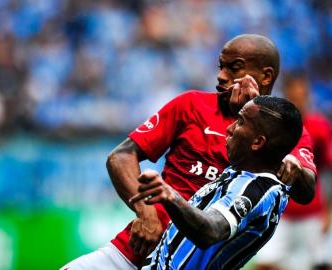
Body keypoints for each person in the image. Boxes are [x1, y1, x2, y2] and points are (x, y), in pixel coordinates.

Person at [60, 34, 316, 270]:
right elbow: (121, 156)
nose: (221, 76)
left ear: (266, 76)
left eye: (234, 68)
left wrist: (289, 162)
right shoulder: (191, 105)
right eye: (221, 66)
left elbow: (306, 190)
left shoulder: (286, 133)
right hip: (135, 250)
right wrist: (146, 212)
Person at [130, 95, 303, 269]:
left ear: (257, 142)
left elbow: (211, 230)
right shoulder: (243, 171)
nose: (229, 128)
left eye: (240, 122)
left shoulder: (255, 190)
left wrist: (169, 196)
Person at [255, 73, 332, 270]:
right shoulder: (275, 128)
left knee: (317, 264)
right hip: (280, 212)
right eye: (295, 93)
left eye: (303, 93)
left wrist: (327, 213)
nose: (299, 98)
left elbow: (326, 169)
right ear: (287, 94)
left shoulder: (319, 127)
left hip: (311, 214)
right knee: (266, 263)